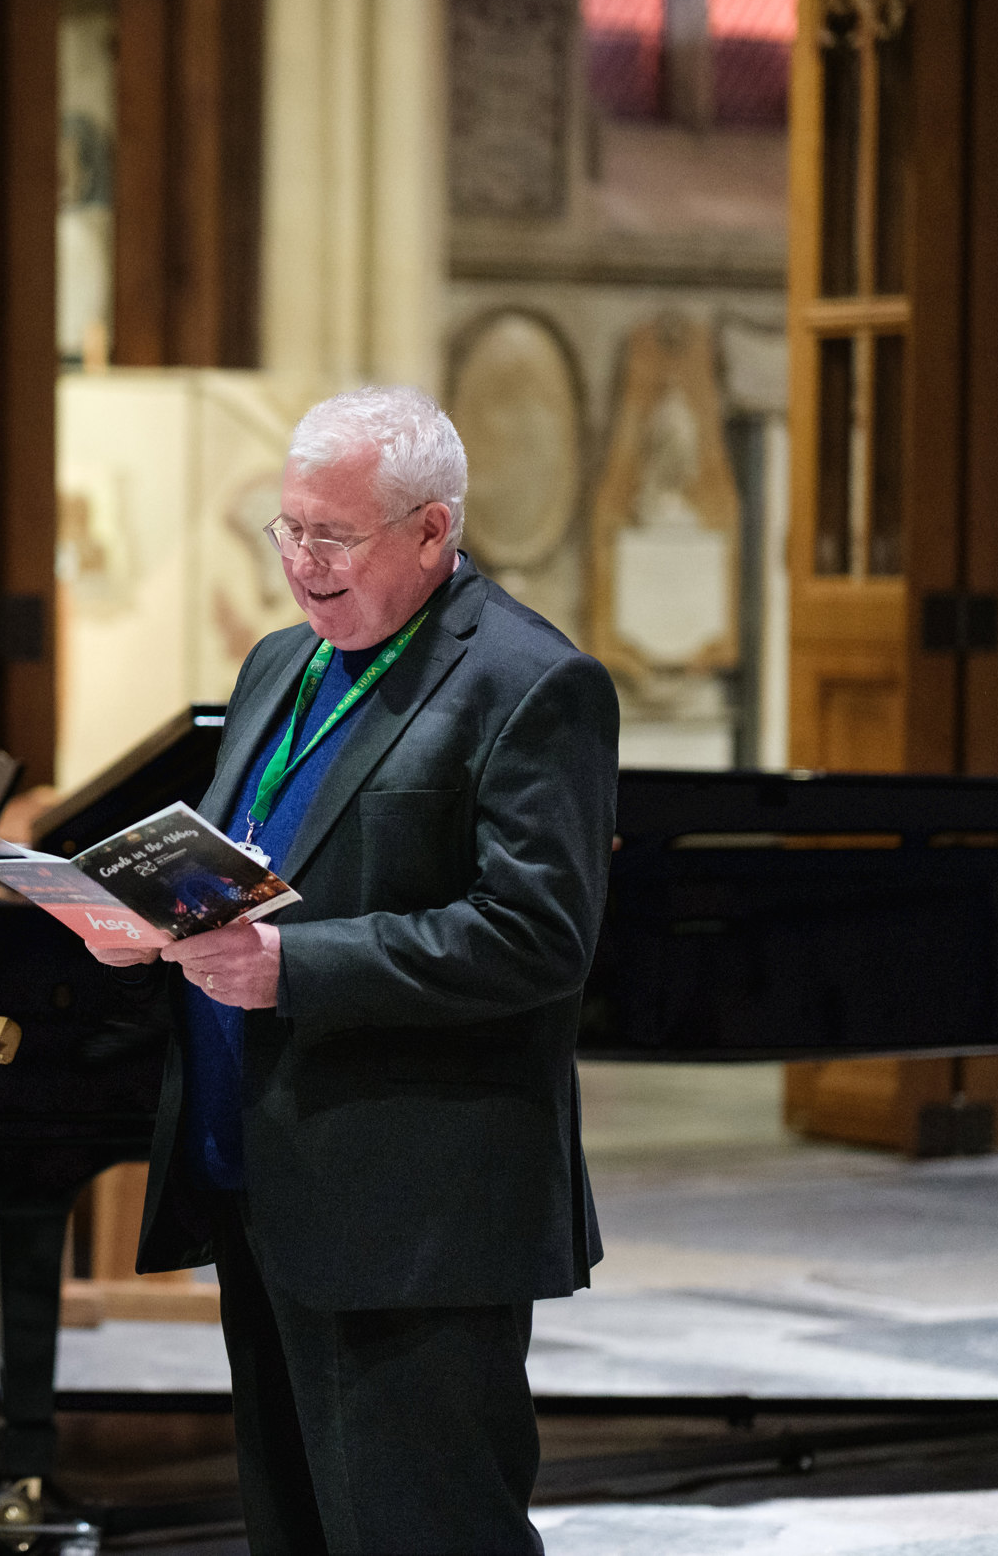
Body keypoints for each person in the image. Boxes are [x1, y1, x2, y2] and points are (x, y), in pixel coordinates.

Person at [80, 385, 617, 1553]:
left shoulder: (528, 682)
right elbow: (253, 868)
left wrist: (292, 968)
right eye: (288, 529)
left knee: (426, 1533)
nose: (302, 563)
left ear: (432, 530)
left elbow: (537, 933)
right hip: (262, 1176)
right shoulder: (283, 663)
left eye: (334, 534)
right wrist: (144, 925)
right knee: (297, 1529)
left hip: (412, 1204)